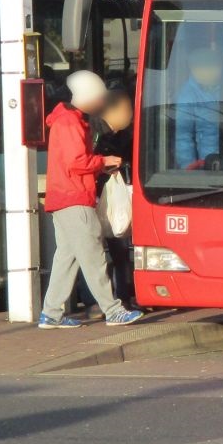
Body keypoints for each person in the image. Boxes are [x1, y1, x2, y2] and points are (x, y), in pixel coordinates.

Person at [38, 71, 143, 329]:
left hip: (62, 198)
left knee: (68, 257)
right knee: (93, 254)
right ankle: (113, 310)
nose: (102, 103)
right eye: (98, 97)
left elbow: (71, 162)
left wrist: (97, 166)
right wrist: (103, 161)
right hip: (76, 197)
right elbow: (77, 162)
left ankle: (51, 312)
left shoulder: (64, 120)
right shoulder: (72, 123)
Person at [94, 90, 136, 309]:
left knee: (120, 248)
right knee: (99, 250)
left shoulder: (124, 133)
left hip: (115, 199)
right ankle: (104, 302)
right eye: (126, 110)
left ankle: (124, 297)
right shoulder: (98, 134)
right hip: (102, 199)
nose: (130, 115)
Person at [176, 48, 222, 168]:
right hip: (206, 164)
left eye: (217, 66)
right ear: (196, 70)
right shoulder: (187, 95)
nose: (217, 71)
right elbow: (183, 137)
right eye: (210, 67)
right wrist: (189, 167)